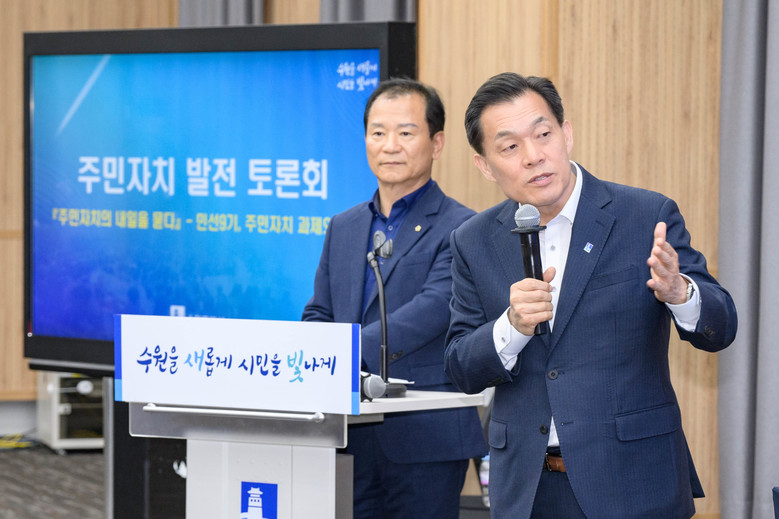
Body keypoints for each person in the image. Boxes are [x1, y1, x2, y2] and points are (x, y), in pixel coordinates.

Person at [444, 72, 738, 519]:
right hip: (529, 491)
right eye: (510, 147)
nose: (533, 156)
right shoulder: (473, 240)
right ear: (484, 166)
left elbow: (722, 326)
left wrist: (680, 293)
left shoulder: (645, 215)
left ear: (566, 134)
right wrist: (511, 327)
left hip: (633, 483)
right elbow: (460, 367)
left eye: (543, 135)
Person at [302, 77, 487, 518]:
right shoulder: (343, 226)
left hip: (425, 437)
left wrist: (339, 353)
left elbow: (433, 309)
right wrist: (310, 352)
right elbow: (319, 311)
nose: (390, 146)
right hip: (347, 434)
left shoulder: (464, 227)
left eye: (405, 132)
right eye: (378, 132)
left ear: (436, 143)